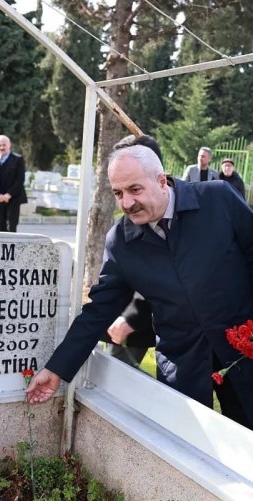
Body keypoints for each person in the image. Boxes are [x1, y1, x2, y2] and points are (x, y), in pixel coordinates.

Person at [26, 144, 253, 435]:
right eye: (118, 193)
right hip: (184, 364)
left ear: (161, 180)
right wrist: (57, 369)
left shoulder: (218, 198)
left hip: (242, 349)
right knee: (184, 451)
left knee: (248, 441)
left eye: (135, 190)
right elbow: (98, 311)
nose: (127, 203)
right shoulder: (121, 242)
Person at [101, 134, 162, 368]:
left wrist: (131, 318)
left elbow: (160, 279)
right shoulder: (123, 229)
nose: (126, 202)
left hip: (144, 321)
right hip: (122, 318)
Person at [0, 135, 28, 232]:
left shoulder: (18, 159)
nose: (2, 147)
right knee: (1, 226)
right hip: (0, 198)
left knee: (11, 226)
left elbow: (20, 180)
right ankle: (1, 246)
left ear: (9, 145)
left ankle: (12, 246)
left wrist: (8, 195)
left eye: (4, 145)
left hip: (14, 198)